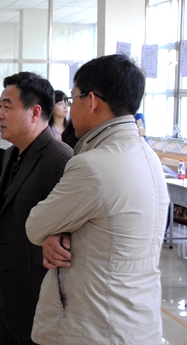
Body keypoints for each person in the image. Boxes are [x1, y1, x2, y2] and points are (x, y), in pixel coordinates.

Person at [26, 54, 170, 344]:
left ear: (91, 101)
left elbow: (36, 225)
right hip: (137, 321)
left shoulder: (94, 165)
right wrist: (59, 232)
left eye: (73, 98)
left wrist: (52, 232)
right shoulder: (148, 156)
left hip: (96, 325)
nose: (70, 109)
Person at [0, 72, 73, 345]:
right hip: (2, 291)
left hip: (33, 298)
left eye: (7, 107)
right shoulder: (12, 153)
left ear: (34, 112)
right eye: (0, 106)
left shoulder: (60, 160)